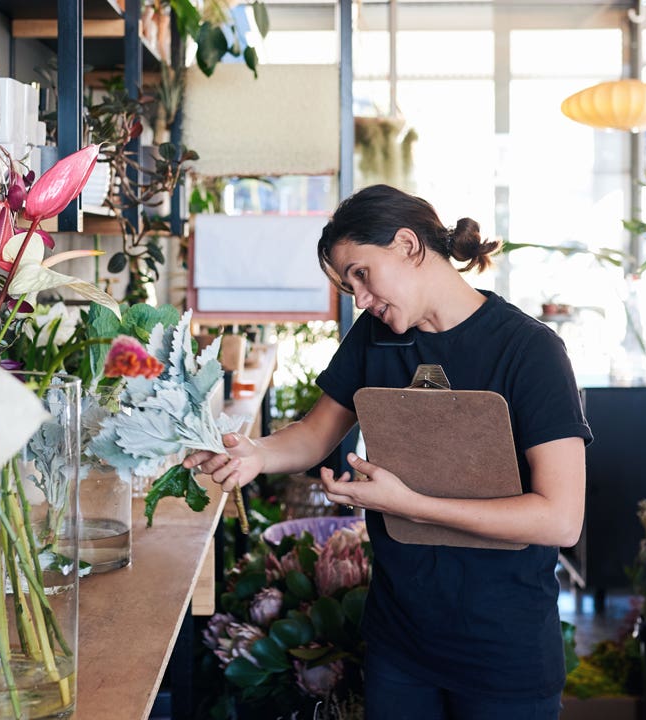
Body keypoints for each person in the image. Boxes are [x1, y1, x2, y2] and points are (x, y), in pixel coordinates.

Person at [184, 184, 592, 720]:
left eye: (360, 273)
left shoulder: (529, 351)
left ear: (407, 245)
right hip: (401, 645)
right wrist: (254, 454)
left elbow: (560, 520)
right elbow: (315, 433)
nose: (359, 297)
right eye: (347, 283)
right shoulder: (377, 338)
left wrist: (406, 502)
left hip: (503, 651)